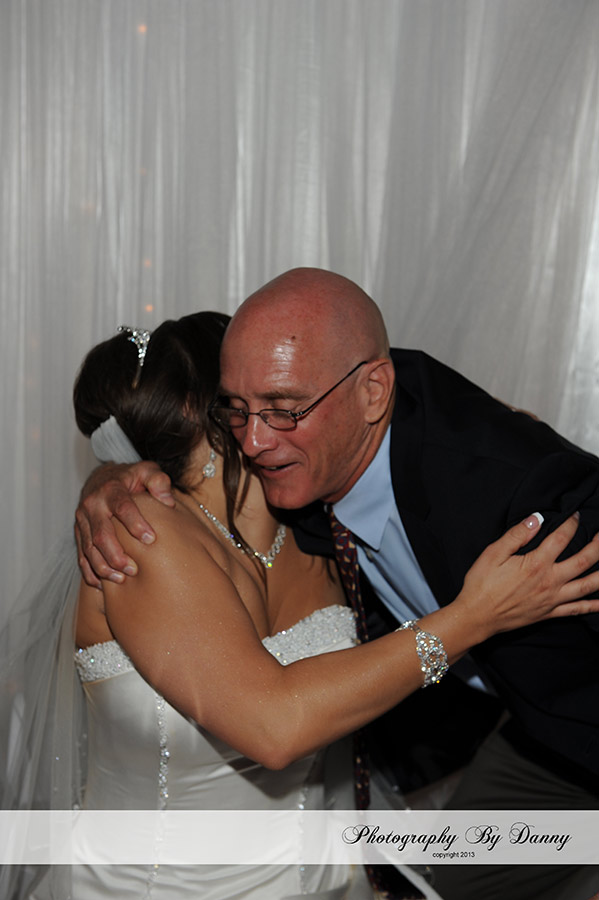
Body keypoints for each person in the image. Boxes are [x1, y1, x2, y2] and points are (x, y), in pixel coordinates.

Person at [3, 316, 598, 900]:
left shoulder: (314, 522)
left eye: (281, 402)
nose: (266, 423)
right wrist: (472, 618)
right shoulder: (138, 531)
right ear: (211, 410)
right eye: (247, 402)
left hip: (329, 872)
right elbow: (274, 728)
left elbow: (404, 400)